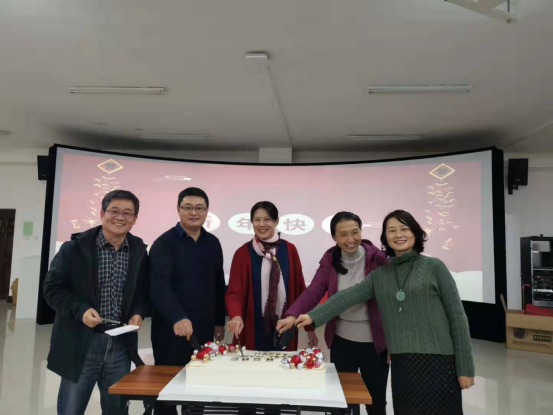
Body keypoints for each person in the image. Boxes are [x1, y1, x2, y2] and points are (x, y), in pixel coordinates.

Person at [296, 210, 475, 415]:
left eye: (404, 229)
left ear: (415, 233)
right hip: (403, 364)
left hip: (439, 362)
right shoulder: (381, 274)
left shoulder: (434, 267)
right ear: (385, 237)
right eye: (392, 230)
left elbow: (457, 317)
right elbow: (347, 297)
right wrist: (312, 317)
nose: (398, 235)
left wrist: (465, 368)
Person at [43, 190, 149, 415]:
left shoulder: (139, 251)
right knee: (71, 410)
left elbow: (142, 293)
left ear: (135, 218)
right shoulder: (74, 248)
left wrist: (138, 312)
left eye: (127, 213)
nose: (120, 217)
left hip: (120, 344)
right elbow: (52, 288)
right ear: (102, 213)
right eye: (114, 211)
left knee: (117, 410)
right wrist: (81, 311)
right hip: (81, 342)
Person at [276, 212, 390, 415]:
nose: (350, 239)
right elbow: (313, 292)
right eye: (343, 234)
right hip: (342, 342)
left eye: (355, 232)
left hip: (375, 344)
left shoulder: (378, 259)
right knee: (342, 402)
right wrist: (292, 315)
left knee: (376, 401)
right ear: (334, 237)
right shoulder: (330, 260)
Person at [149, 187, 225, 415]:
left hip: (203, 329)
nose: (194, 213)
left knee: (197, 391)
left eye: (199, 208)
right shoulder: (164, 243)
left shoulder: (213, 243)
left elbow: (218, 284)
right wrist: (178, 317)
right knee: (168, 393)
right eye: (188, 207)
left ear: (207, 211)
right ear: (178, 209)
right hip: (170, 330)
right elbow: (159, 287)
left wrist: (219, 321)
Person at [226, 201, 317, 351]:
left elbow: (301, 290)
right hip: (253, 328)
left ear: (276, 221)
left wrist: (310, 328)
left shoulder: (289, 250)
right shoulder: (242, 253)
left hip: (286, 326)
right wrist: (236, 316)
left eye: (267, 219)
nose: (261, 224)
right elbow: (234, 293)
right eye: (257, 220)